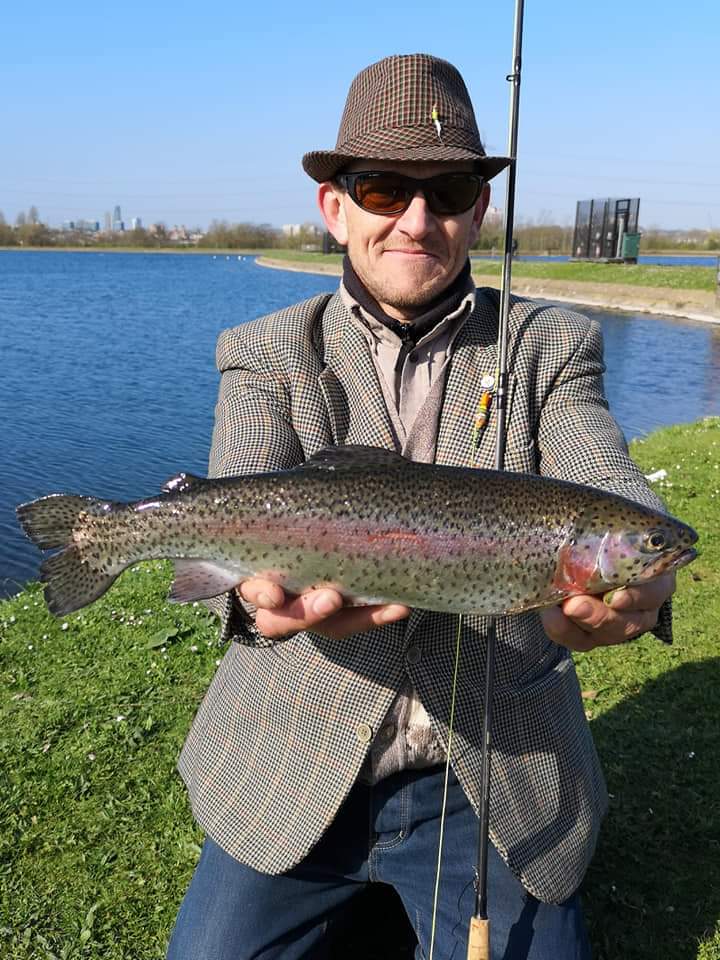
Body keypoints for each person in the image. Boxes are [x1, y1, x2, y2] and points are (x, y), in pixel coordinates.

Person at [167, 54, 675, 959]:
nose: (416, 219)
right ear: (336, 207)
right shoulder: (263, 351)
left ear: (479, 209)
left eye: (445, 192)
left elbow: (606, 473)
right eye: (383, 187)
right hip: (294, 756)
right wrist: (249, 597)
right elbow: (228, 505)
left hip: (485, 778)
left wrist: (641, 583)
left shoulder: (550, 347)